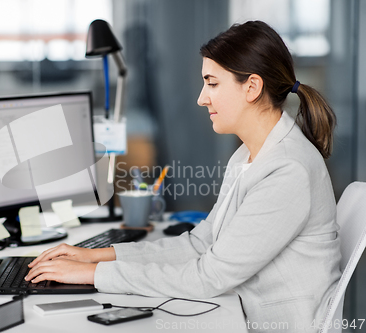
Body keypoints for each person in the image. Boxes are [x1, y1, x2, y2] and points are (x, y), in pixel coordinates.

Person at [25, 21, 341, 332]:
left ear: (252, 87)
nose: (202, 98)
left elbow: (209, 276)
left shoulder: (287, 170)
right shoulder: (249, 154)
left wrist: (94, 275)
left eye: (213, 83)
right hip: (245, 313)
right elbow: (200, 244)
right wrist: (93, 256)